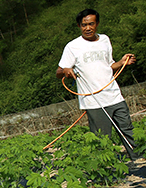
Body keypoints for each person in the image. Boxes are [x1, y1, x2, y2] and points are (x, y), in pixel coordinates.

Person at [57, 8, 141, 161]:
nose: (87, 28)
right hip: (93, 100)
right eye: (84, 25)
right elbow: (59, 72)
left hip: (114, 94)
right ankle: (108, 168)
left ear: (97, 24)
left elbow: (109, 65)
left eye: (91, 24)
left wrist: (122, 63)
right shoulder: (72, 46)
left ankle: (138, 160)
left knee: (127, 129)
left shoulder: (105, 40)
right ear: (79, 26)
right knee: (102, 137)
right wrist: (67, 70)